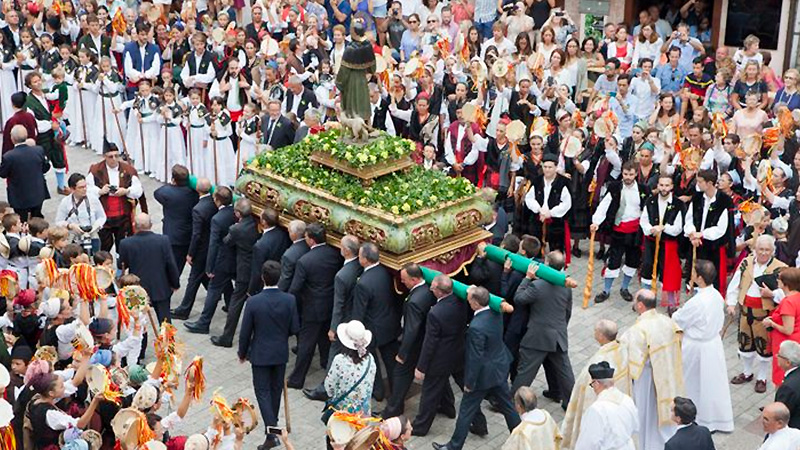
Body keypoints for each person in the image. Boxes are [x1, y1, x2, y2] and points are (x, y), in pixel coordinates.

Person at [432, 285, 521, 450]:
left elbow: (475, 358)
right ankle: (521, 438)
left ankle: (454, 446)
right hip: (499, 368)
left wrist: (469, 382)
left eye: (470, 299)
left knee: (466, 410)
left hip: (482, 376)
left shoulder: (476, 327)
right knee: (508, 407)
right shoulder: (496, 312)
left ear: (475, 303)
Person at [412, 274, 487, 437]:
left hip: (440, 360)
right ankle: (478, 423)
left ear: (439, 292)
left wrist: (421, 367)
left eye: (433, 287)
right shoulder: (460, 301)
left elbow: (430, 342)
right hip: (459, 353)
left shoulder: (435, 313)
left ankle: (420, 427)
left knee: (430, 394)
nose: (430, 289)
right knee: (466, 391)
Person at [238, 260, 300, 450]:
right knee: (274, 392)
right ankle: (270, 434)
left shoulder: (253, 302)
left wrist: (242, 352)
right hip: (280, 352)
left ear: (262, 278)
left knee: (263, 392)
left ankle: (272, 433)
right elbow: (295, 327)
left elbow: (245, 331)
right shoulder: (289, 300)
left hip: (260, 353)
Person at [672, 260, 734, 432]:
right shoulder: (717, 295)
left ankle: (694, 417)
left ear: (699, 278)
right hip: (712, 345)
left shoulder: (698, 302)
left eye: (693, 272)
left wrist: (677, 312)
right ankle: (714, 418)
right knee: (711, 382)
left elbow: (679, 319)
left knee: (691, 382)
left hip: (696, 347)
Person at [511, 251, 574, 408]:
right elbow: (568, 311)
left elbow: (519, 299)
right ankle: (571, 403)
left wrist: (527, 278)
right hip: (558, 335)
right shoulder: (566, 286)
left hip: (538, 336)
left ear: (546, 264)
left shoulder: (537, 286)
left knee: (526, 373)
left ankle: (514, 402)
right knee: (565, 372)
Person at [622, 289, 682, 450]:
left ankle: (647, 444)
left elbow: (630, 357)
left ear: (640, 306)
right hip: (667, 373)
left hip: (647, 377)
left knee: (646, 412)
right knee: (662, 410)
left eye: (635, 301)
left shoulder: (639, 329)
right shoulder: (667, 321)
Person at [726, 235, 787, 393]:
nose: (764, 253)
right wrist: (731, 303)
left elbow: (787, 294)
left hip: (766, 313)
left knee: (764, 346)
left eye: (767, 250)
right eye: (761, 249)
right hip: (746, 310)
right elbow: (735, 283)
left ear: (773, 251)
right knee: (745, 343)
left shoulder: (780, 267)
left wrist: (772, 294)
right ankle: (747, 373)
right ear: (755, 249)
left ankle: (762, 377)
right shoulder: (746, 262)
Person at [287, 223, 343, 389]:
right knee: (325, 339)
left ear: (311, 240)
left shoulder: (304, 261)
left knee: (306, 344)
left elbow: (295, 288)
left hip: (312, 308)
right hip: (330, 304)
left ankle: (297, 379)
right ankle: (326, 363)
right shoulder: (335, 254)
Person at [561, 320, 631, 450]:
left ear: (601, 336)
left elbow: (584, 390)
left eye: (595, 331)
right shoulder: (623, 349)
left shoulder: (598, 363)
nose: (594, 333)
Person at [381, 263, 436, 418]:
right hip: (425, 342)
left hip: (413, 347)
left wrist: (403, 353)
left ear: (414, 279)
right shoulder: (427, 291)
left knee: (400, 375)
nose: (402, 282)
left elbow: (411, 330)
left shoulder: (414, 301)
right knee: (435, 376)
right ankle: (447, 404)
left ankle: (393, 409)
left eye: (404, 279)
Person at [590, 162, 647, 303]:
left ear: (636, 174)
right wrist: (596, 222)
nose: (628, 177)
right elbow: (604, 205)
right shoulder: (615, 187)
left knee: (632, 261)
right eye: (625, 174)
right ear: (622, 173)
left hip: (635, 232)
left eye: (631, 174)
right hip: (618, 230)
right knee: (613, 261)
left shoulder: (643, 189)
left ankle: (625, 288)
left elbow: (647, 210)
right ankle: (606, 290)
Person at [350, 242, 400, 401]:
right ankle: (396, 392)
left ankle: (378, 391)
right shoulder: (385, 273)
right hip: (390, 324)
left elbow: (359, 311)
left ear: (364, 259)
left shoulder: (363, 283)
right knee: (391, 362)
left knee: (372, 362)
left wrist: (354, 332)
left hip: (372, 329)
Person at [184, 186, 236, 334]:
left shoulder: (217, 219)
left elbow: (213, 245)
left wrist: (209, 268)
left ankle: (204, 323)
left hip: (221, 260)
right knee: (227, 286)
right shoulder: (235, 213)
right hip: (234, 258)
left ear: (217, 200)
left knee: (213, 290)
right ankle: (229, 306)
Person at [213, 198, 260, 348]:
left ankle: (227, 337)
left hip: (244, 270)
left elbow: (227, 242)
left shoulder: (236, 229)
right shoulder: (256, 223)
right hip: (257, 269)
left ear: (238, 214)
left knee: (236, 302)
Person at [118, 213, 180, 323]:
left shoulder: (125, 243)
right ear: (151, 225)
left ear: (134, 225)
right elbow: (171, 264)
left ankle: (142, 340)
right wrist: (175, 283)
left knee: (139, 322)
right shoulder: (163, 240)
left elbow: (121, 265)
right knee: (165, 322)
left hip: (137, 288)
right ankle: (167, 340)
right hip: (160, 286)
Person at [87, 142, 145, 252]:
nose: (114, 159)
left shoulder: (128, 169)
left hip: (123, 217)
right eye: (110, 156)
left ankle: (120, 267)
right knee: (104, 247)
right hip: (104, 217)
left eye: (116, 156)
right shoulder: (95, 170)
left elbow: (138, 189)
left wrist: (127, 191)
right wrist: (100, 191)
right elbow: (88, 189)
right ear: (104, 156)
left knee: (123, 247)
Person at [171, 178, 215, 320]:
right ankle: (221, 296)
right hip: (211, 246)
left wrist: (190, 253)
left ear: (197, 189)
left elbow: (196, 235)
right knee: (204, 275)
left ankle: (184, 309)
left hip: (201, 249)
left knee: (193, 279)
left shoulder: (198, 209)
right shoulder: (214, 203)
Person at [685, 169, 733, 292]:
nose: (697, 184)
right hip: (695, 243)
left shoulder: (724, 201)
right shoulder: (697, 197)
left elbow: (721, 229)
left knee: (710, 280)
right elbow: (689, 219)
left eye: (700, 182)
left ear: (709, 183)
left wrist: (701, 235)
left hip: (712, 247)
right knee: (694, 277)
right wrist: (692, 234)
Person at [573, 361, 638, 450]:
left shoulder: (596, 410)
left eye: (592, 385)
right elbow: (635, 426)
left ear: (596, 383)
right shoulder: (627, 399)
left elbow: (587, 444)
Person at [25, 71, 67, 194]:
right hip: (42, 136)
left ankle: (61, 186)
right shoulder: (29, 102)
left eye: (39, 80)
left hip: (53, 134)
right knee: (42, 163)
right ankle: (40, 189)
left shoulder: (47, 94)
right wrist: (50, 125)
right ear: (29, 85)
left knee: (59, 158)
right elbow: (34, 123)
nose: (38, 83)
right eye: (34, 82)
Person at [153, 164, 198, 276]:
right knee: (198, 267)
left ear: (173, 180)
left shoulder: (168, 193)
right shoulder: (194, 193)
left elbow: (157, 193)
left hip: (174, 236)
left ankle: (166, 293)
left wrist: (172, 184)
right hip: (191, 234)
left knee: (174, 270)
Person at [325, 320, 377, 416]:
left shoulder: (339, 360)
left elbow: (329, 386)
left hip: (342, 413)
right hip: (363, 413)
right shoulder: (370, 359)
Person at [0, 125, 50, 221]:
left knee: (21, 220)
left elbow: (3, 174)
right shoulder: (38, 150)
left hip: (19, 195)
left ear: (12, 138)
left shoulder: (9, 156)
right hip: (37, 192)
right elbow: (45, 168)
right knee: (37, 219)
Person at [764, 267, 800, 386]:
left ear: (785, 284)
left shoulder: (788, 302)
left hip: (786, 345)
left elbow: (788, 329)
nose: (777, 281)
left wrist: (771, 323)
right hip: (796, 341)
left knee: (781, 378)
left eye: (779, 279)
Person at [54, 173, 106, 253]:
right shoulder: (65, 202)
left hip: (92, 236)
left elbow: (102, 217)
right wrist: (70, 226)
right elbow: (58, 221)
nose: (84, 189)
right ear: (72, 189)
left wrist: (96, 226)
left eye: (85, 186)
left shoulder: (93, 199)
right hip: (75, 238)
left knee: (95, 260)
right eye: (81, 187)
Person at [336, 19, 375, 121]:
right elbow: (372, 67)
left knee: (353, 109)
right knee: (363, 106)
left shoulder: (350, 49)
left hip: (351, 82)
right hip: (363, 80)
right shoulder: (368, 46)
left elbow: (344, 72)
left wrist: (339, 83)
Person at [248, 207, 292, 295]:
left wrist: (251, 290)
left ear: (264, 222)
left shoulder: (260, 246)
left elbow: (257, 271)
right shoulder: (283, 234)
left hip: (264, 283)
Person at [277, 220, 309, 291]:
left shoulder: (288, 255)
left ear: (293, 235)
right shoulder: (308, 246)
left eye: (289, 232)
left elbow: (285, 279)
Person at [775, 340, 800, 429]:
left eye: (779, 355)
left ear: (788, 362)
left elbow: (780, 415)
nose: (776, 356)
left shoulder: (788, 388)